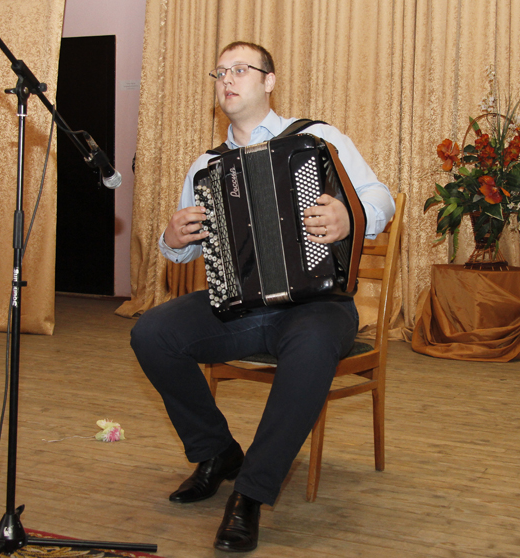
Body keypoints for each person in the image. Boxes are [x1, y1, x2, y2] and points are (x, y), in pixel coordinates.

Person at [131, 41, 395, 552]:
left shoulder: (317, 138)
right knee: (153, 332)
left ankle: (250, 493)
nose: (227, 80)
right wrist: (172, 237)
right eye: (220, 72)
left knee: (312, 346)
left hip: (319, 303)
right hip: (243, 307)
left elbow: (378, 194)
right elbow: (186, 251)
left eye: (240, 69)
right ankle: (216, 452)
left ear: (268, 81)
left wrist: (349, 216)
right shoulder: (207, 166)